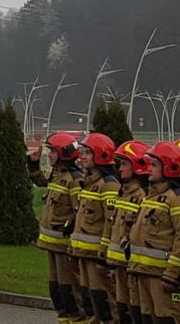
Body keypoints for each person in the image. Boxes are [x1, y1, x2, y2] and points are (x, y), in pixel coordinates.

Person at [129, 140, 180, 324]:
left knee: (167, 318)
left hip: (163, 276)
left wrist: (172, 273)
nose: (148, 169)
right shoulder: (151, 196)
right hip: (144, 272)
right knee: (147, 318)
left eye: (154, 165)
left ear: (169, 167)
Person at [31, 132, 87, 322]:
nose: (50, 155)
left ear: (65, 153)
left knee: (69, 289)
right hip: (51, 245)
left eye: (53, 151)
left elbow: (79, 213)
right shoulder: (57, 175)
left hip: (65, 246)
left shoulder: (75, 180)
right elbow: (40, 180)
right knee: (56, 290)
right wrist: (33, 164)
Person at [72, 133, 120, 323]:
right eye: (82, 152)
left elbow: (111, 222)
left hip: (97, 257)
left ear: (100, 155)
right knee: (91, 301)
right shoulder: (89, 184)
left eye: (87, 153)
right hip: (84, 254)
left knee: (106, 302)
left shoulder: (108, 186)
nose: (82, 157)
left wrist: (104, 255)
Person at [107, 140, 152, 324]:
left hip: (131, 267)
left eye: (125, 164)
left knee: (135, 309)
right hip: (119, 265)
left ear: (138, 167)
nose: (120, 169)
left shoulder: (141, 196)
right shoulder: (123, 193)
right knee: (122, 308)